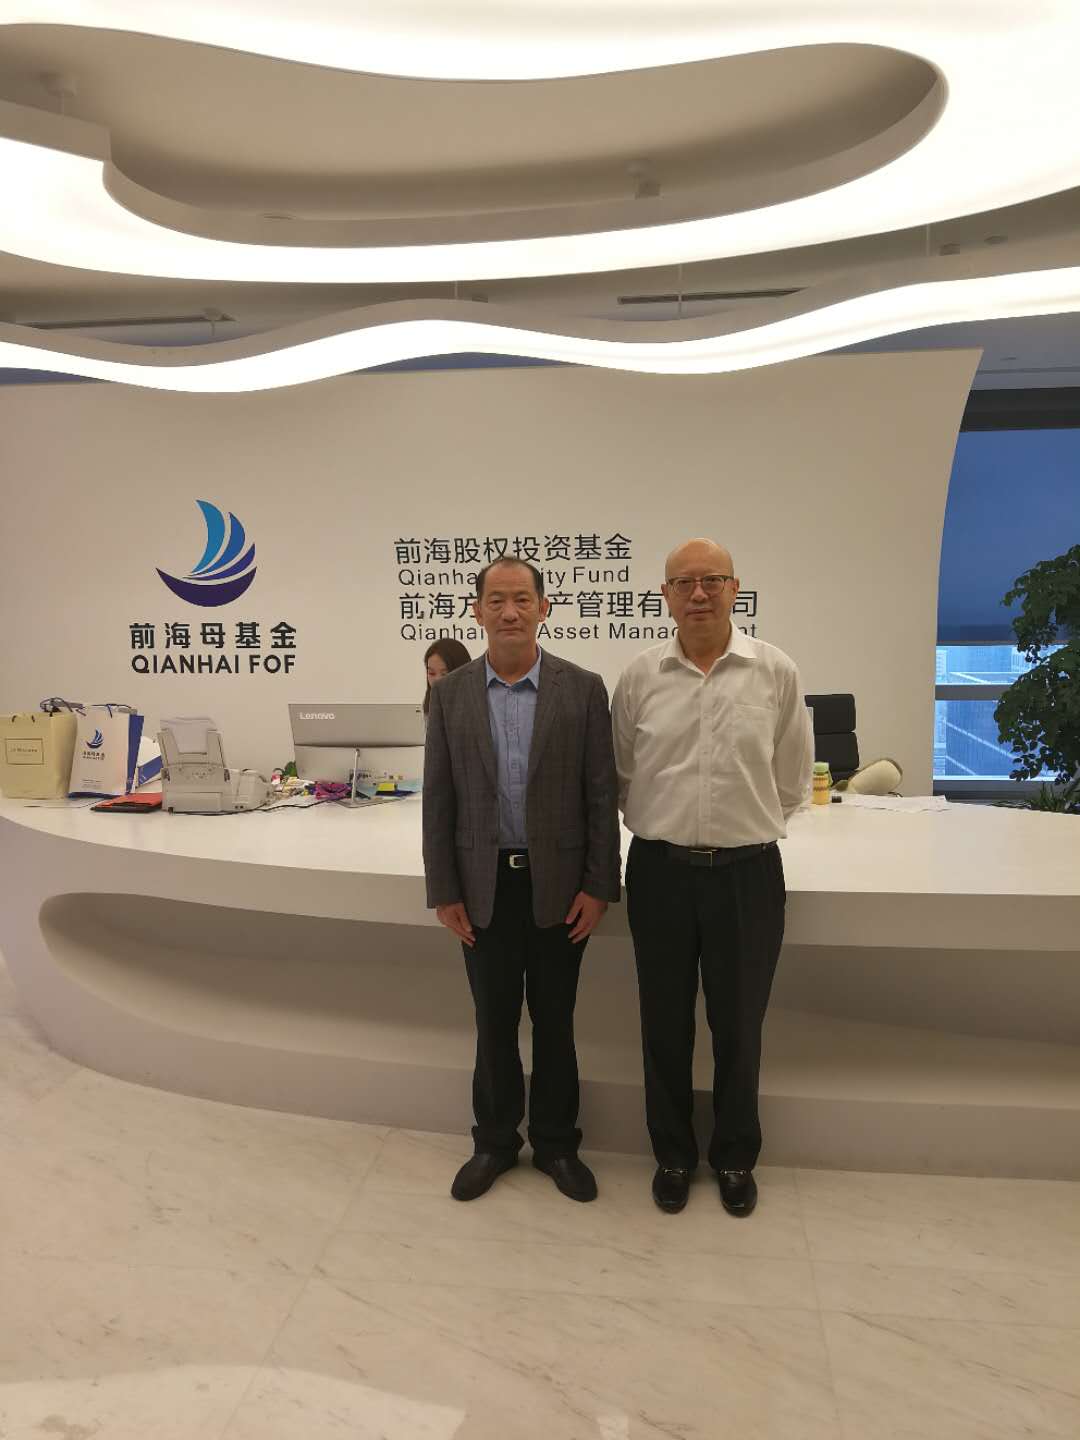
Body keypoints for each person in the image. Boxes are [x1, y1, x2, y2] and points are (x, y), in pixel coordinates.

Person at [612, 537, 812, 1219]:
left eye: (712, 580)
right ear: (665, 596)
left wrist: (738, 824)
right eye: (683, 582)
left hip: (746, 874)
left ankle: (734, 1157)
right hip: (659, 872)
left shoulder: (774, 671)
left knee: (739, 1026)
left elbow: (791, 781)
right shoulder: (640, 677)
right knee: (663, 1023)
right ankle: (672, 1155)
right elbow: (623, 774)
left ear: (734, 588)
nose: (698, 593)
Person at [423, 557, 621, 1204]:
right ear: (476, 611)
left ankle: (558, 1144)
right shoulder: (450, 694)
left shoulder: (582, 689)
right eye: (496, 600)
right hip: (483, 889)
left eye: (522, 599)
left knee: (556, 1022)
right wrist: (443, 891)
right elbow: (439, 800)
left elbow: (601, 794)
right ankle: (494, 1142)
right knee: (494, 1022)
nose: (510, 612)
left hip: (561, 888)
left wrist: (600, 885)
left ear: (543, 607)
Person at [423, 637, 471, 717]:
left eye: (444, 674)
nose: (437, 680)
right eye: (431, 673)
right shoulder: (430, 706)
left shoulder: (479, 706)